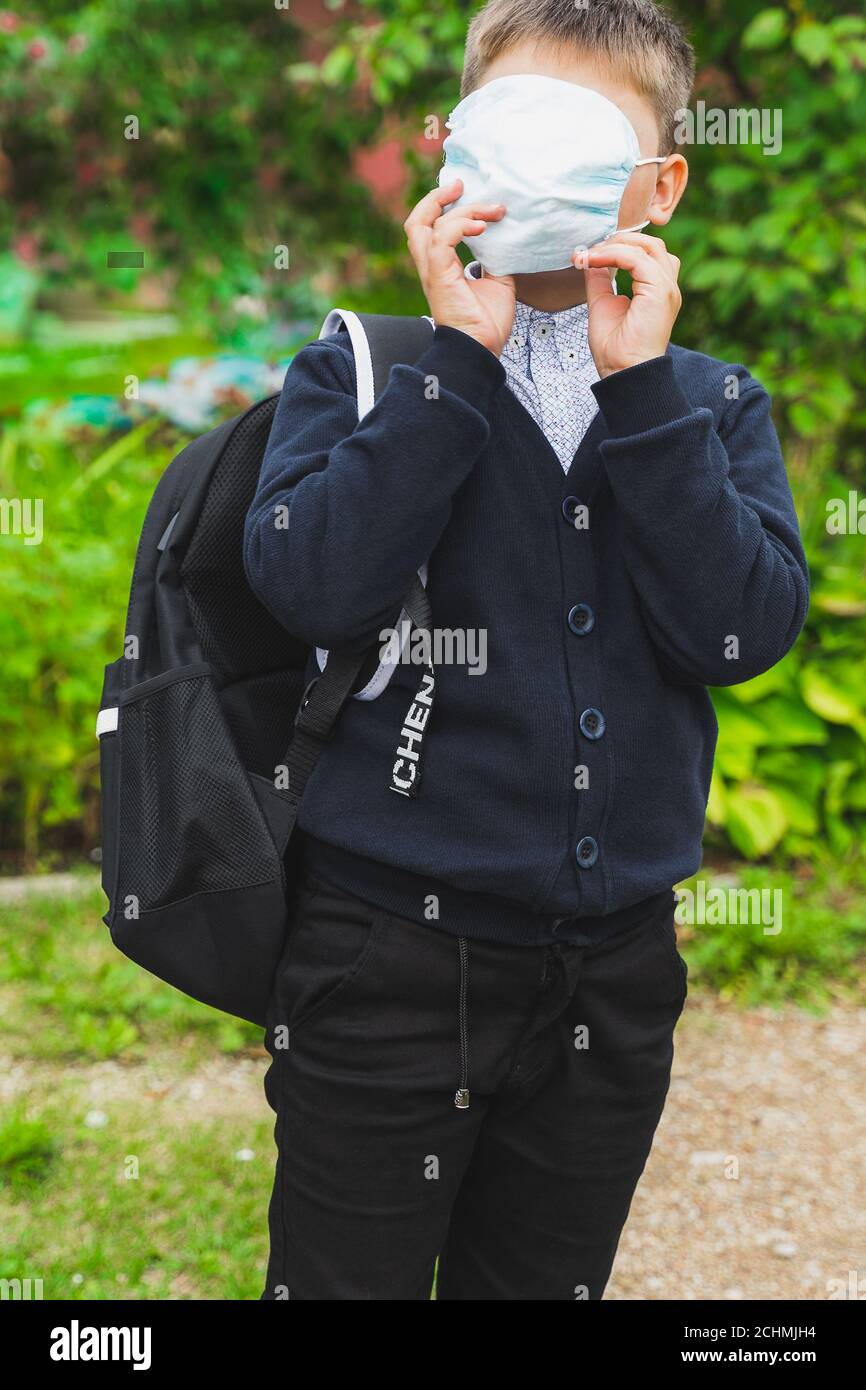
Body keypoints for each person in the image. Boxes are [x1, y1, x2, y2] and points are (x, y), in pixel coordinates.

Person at [244, 0, 808, 1301]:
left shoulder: (705, 402)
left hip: (610, 971)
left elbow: (738, 630)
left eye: (587, 139)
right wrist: (457, 363)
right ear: (457, 155)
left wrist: (641, 394)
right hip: (382, 948)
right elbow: (309, 584)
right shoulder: (368, 371)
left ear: (659, 183)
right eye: (513, 131)